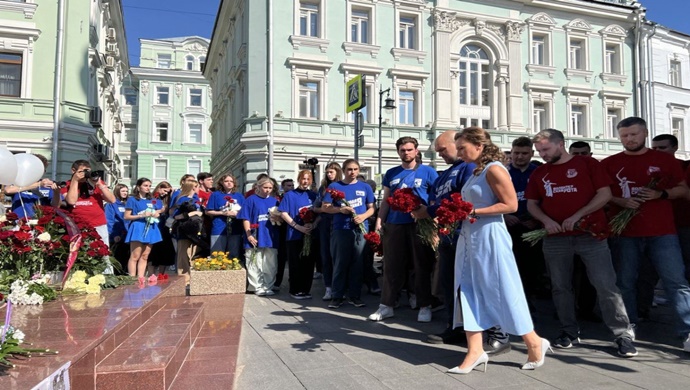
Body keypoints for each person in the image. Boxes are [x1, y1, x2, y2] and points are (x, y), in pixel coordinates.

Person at [526, 128, 637, 357]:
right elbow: (532, 203)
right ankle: (568, 331)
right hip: (555, 238)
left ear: (560, 144)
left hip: (590, 235)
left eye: (546, 149)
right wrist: (546, 221)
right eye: (539, 150)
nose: (542, 154)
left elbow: (604, 194)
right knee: (560, 286)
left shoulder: (588, 164)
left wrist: (578, 215)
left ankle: (622, 334)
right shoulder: (540, 173)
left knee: (605, 285)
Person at [447, 127, 549, 374]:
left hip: (490, 236)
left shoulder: (494, 168)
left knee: (503, 288)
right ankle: (475, 351)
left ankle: (534, 342)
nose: (458, 152)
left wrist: (472, 212)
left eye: (462, 147)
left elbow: (511, 204)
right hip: (470, 237)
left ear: (479, 146)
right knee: (466, 290)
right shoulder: (475, 172)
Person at [601, 117, 690, 352]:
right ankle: (627, 328)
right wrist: (621, 200)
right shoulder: (610, 163)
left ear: (645, 134)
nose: (629, 139)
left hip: (663, 232)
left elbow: (682, 189)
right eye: (624, 136)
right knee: (625, 282)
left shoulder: (663, 160)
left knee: (676, 282)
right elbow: (602, 194)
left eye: (633, 135)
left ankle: (687, 331)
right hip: (625, 232)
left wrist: (660, 194)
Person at [411, 130, 501, 348]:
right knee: (451, 284)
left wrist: (430, 211)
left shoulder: (470, 167)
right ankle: (456, 327)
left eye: (444, 149)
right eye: (438, 151)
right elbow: (436, 200)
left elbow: (462, 200)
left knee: (477, 284)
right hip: (449, 236)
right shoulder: (444, 174)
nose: (441, 154)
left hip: (468, 233)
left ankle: (494, 332)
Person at [369, 136, 439, 323]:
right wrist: (379, 221)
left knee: (421, 264)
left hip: (420, 224)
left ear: (416, 151)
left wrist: (435, 223)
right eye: (402, 150)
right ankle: (387, 305)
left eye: (409, 149)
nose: (406, 153)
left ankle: (424, 305)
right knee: (391, 265)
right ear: (398, 152)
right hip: (394, 223)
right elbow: (386, 200)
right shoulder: (391, 173)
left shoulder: (429, 172)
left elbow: (434, 200)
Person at [322, 159, 375, 308]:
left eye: (356, 169)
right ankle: (337, 296)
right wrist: (340, 210)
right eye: (350, 169)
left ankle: (355, 295)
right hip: (341, 229)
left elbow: (372, 207)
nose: (353, 172)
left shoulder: (365, 187)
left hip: (360, 229)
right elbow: (325, 207)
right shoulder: (335, 186)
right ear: (344, 171)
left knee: (357, 263)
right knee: (340, 262)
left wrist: (363, 217)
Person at [505, 137, 547, 307]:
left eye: (524, 153)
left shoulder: (539, 172)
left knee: (531, 270)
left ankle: (528, 306)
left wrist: (537, 220)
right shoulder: (503, 172)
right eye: (516, 153)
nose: (520, 157)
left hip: (532, 228)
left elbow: (547, 199)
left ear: (532, 153)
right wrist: (504, 216)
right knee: (509, 268)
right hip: (508, 226)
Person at [238, 176, 280, 296]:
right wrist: (249, 234)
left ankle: (268, 285)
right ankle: (256, 286)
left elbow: (281, 217)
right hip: (255, 234)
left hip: (270, 236)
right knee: (254, 262)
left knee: (270, 263)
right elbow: (245, 218)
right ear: (259, 187)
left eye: (270, 188)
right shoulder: (251, 200)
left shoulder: (274, 201)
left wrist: (277, 217)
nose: (267, 190)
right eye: (265, 187)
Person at [279, 170, 318, 299]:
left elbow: (320, 213)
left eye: (308, 179)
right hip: (294, 234)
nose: (305, 181)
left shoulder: (313, 195)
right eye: (303, 178)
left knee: (308, 263)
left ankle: (306, 289)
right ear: (298, 179)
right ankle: (295, 290)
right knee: (295, 263)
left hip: (309, 234)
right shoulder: (290, 195)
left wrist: (313, 224)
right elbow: (284, 213)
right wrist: (298, 227)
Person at [313, 162, 343, 300]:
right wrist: (324, 209)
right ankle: (328, 287)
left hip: (340, 223)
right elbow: (316, 207)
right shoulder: (323, 188)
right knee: (325, 255)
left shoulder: (343, 185)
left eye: (331, 171)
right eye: (327, 172)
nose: (329, 174)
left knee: (339, 256)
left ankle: (341, 286)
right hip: (325, 223)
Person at [124, 178, 163, 281]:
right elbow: (127, 216)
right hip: (138, 227)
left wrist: (156, 213)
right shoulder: (132, 199)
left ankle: (141, 277)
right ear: (138, 187)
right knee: (135, 255)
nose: (148, 188)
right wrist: (141, 215)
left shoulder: (151, 199)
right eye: (145, 185)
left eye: (149, 186)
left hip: (150, 227)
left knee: (145, 255)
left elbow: (158, 209)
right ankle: (132, 278)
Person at [5, 154, 58, 219]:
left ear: (44, 172)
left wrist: (57, 193)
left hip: (41, 223)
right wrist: (38, 184)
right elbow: (8, 190)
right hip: (19, 222)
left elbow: (56, 205)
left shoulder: (47, 184)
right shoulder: (18, 181)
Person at [171, 180, 202, 286]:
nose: (199, 188)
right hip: (184, 230)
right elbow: (175, 216)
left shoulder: (196, 199)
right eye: (197, 186)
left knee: (192, 254)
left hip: (195, 230)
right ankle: (184, 280)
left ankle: (191, 278)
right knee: (183, 255)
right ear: (193, 187)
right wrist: (191, 214)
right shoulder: (182, 199)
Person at [206, 174, 245, 259]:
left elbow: (244, 212)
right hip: (219, 228)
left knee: (233, 255)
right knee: (217, 255)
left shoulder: (239, 196)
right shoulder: (215, 195)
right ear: (222, 183)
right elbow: (208, 211)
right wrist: (223, 213)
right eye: (226, 181)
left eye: (231, 181)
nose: (229, 183)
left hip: (235, 228)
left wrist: (236, 213)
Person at [149, 181, 175, 279]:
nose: (165, 193)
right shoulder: (153, 198)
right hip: (154, 228)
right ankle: (151, 274)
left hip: (164, 229)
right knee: (153, 254)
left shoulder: (167, 200)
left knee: (164, 253)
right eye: (164, 191)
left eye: (168, 192)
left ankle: (161, 274)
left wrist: (172, 193)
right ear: (159, 188)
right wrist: (160, 210)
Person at [105, 184, 129, 271]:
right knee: (117, 258)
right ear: (117, 191)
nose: (125, 193)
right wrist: (114, 234)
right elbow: (109, 220)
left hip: (128, 235)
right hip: (117, 235)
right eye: (123, 191)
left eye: (126, 191)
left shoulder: (128, 203)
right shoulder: (111, 204)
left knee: (126, 257)